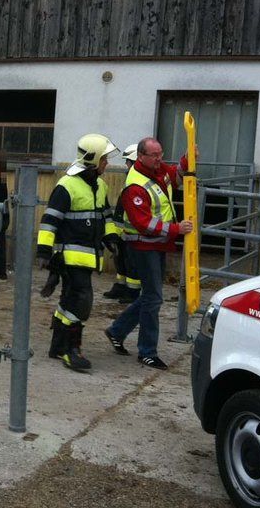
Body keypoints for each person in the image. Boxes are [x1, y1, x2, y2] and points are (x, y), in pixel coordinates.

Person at [105, 137, 194, 370]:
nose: (159, 159)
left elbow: (175, 177)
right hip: (143, 246)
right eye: (154, 155)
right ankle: (147, 352)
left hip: (157, 244)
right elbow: (144, 223)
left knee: (150, 297)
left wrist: (186, 160)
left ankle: (117, 331)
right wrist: (176, 229)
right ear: (141, 156)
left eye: (161, 153)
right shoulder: (134, 186)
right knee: (153, 298)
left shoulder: (157, 169)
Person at [37, 134, 120, 372]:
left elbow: (106, 216)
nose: (107, 163)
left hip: (88, 256)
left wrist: (111, 237)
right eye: (104, 159)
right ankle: (70, 350)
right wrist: (43, 251)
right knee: (82, 301)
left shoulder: (100, 185)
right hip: (69, 257)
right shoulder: (67, 185)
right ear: (93, 159)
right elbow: (50, 220)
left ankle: (58, 346)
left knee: (69, 300)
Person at [104, 143, 142, 303]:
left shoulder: (138, 179)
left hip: (132, 231)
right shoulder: (130, 176)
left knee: (132, 262)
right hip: (122, 228)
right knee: (120, 259)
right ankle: (120, 286)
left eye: (128, 161)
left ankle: (132, 292)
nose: (126, 164)